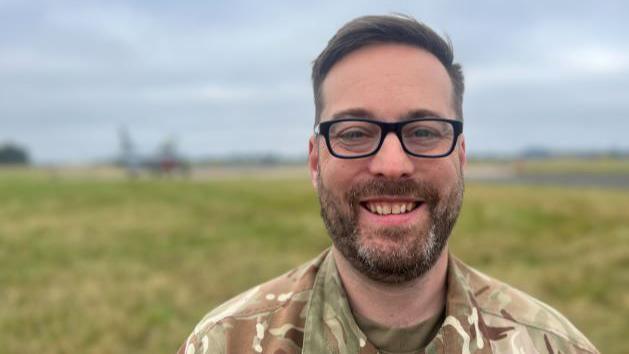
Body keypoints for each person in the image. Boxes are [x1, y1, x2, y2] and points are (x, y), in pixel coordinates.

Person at [178, 14, 598, 354]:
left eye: (424, 131)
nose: (392, 165)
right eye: (355, 133)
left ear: (461, 156)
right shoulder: (223, 343)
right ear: (314, 161)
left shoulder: (552, 345)